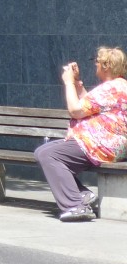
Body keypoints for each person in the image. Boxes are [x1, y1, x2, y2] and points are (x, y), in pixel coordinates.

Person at [34, 46, 127, 222]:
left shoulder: (110, 88)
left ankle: (75, 205)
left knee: (49, 155)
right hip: (106, 144)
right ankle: (82, 195)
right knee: (44, 151)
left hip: (102, 145)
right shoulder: (118, 87)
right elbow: (90, 106)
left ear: (106, 66)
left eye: (97, 62)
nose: (95, 66)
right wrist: (77, 84)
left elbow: (76, 110)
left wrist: (68, 82)